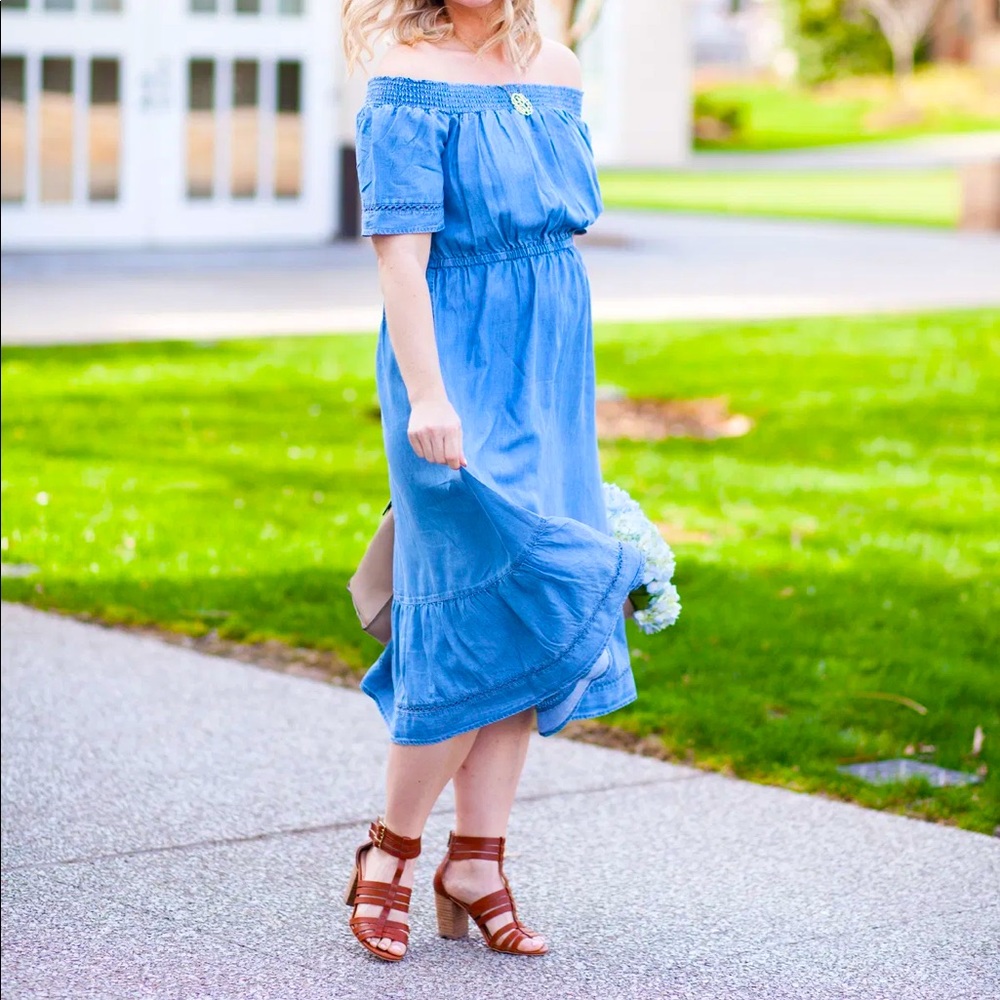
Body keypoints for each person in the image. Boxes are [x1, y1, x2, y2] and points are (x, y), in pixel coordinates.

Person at [341, 0, 645, 962]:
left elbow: (559, 232)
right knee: (462, 610)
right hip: (450, 357)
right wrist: (428, 395)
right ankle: (388, 852)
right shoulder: (405, 70)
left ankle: (478, 861)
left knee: (532, 605)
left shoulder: (555, 67)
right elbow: (401, 255)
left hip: (547, 349)